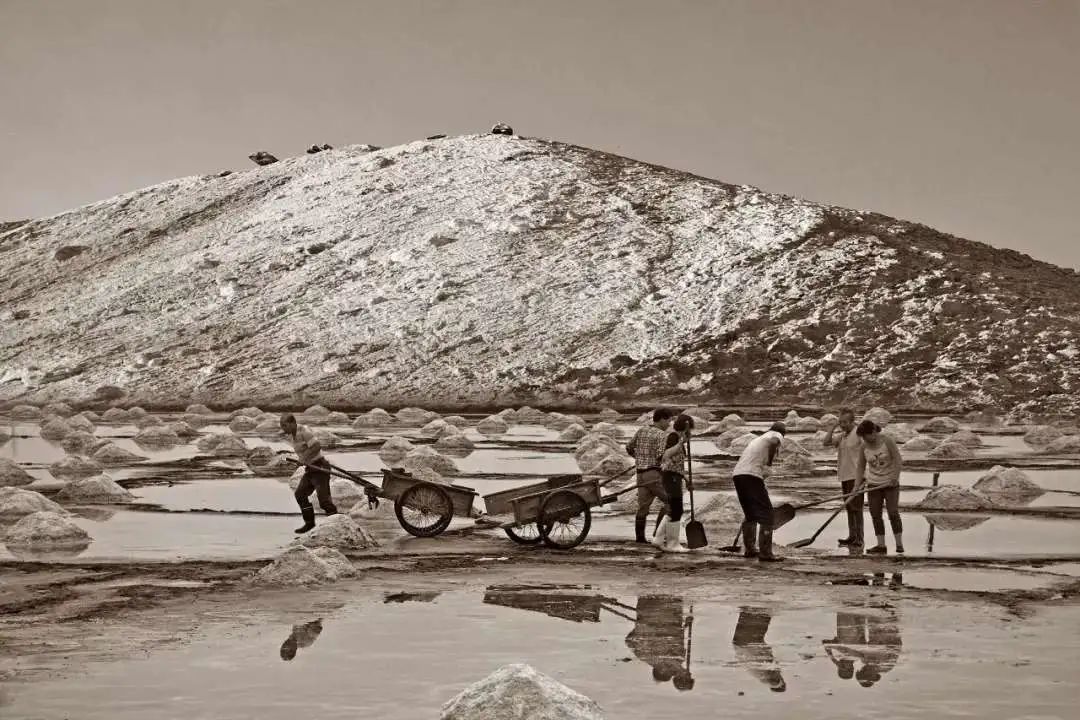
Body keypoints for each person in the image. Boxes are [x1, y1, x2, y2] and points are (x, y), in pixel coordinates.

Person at [732, 422, 786, 561]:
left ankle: (750, 549)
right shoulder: (775, 434)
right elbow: (775, 442)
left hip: (738, 475)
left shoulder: (758, 440)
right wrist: (769, 462)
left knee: (750, 514)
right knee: (767, 515)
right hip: (751, 475)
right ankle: (765, 553)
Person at [280, 413, 337, 533]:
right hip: (310, 469)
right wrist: (302, 460)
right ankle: (309, 523)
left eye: (284, 425)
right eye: (281, 426)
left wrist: (304, 458)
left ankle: (336, 525)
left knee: (324, 501)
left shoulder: (304, 431)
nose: (283, 428)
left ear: (292, 423)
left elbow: (316, 446)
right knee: (300, 494)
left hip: (320, 467)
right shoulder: (292, 435)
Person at [624, 595, 695, 691]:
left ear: (662, 670)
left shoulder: (650, 657)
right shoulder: (679, 659)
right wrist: (686, 625)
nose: (689, 673)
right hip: (673, 611)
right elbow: (678, 636)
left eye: (686, 676)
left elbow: (629, 641)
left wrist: (645, 630)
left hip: (653, 611)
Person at [626, 408, 675, 543]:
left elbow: (629, 447)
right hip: (653, 475)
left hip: (640, 475)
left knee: (643, 508)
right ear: (662, 419)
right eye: (669, 421)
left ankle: (640, 539)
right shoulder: (661, 435)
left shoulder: (641, 430)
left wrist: (639, 458)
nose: (669, 424)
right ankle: (658, 535)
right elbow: (661, 456)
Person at [855, 420, 903, 554]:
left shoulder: (887, 441)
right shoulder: (864, 447)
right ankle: (881, 545)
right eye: (862, 437)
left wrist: (895, 477)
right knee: (875, 515)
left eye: (866, 436)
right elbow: (860, 467)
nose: (864, 439)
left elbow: (898, 459)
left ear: (874, 432)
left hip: (890, 483)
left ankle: (899, 545)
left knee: (893, 513)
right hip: (873, 484)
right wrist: (856, 486)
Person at [653, 414, 695, 553]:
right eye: (690, 430)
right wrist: (681, 443)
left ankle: (659, 539)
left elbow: (678, 464)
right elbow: (665, 455)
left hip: (674, 476)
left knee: (675, 509)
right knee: (676, 509)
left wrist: (687, 480)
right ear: (685, 428)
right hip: (670, 477)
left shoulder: (676, 437)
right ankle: (673, 544)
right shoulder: (673, 437)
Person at [824, 409, 865, 548]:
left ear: (852, 421)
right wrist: (831, 429)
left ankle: (859, 538)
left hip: (857, 476)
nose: (842, 424)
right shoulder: (842, 436)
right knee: (848, 507)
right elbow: (826, 442)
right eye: (840, 422)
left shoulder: (859, 433)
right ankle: (852, 536)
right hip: (844, 475)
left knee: (857, 508)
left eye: (845, 422)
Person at [732, 607, 786, 692]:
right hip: (741, 643)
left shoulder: (770, 677)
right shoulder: (761, 675)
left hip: (746, 643)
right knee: (756, 612)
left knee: (761, 611)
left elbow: (774, 681)